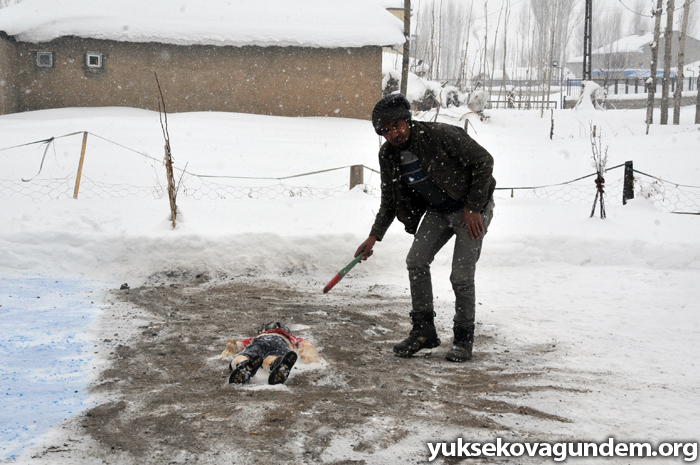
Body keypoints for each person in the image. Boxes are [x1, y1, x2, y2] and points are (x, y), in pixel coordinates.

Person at [355, 93, 496, 363]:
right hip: (439, 210)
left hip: (471, 208)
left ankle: (464, 339)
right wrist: (374, 236)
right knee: (416, 261)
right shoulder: (388, 155)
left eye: (397, 125)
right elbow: (389, 200)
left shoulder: (440, 135)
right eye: (386, 130)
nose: (393, 133)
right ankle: (424, 331)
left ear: (407, 121)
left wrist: (474, 207)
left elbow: (484, 162)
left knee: (461, 276)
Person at [220, 321, 320, 385]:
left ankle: (242, 364)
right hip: (281, 342)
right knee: (272, 357)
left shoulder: (257, 337)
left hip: (260, 341)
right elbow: (306, 344)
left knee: (245, 355)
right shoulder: (291, 338)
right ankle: (275, 364)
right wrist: (310, 353)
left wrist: (233, 348)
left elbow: (240, 345)